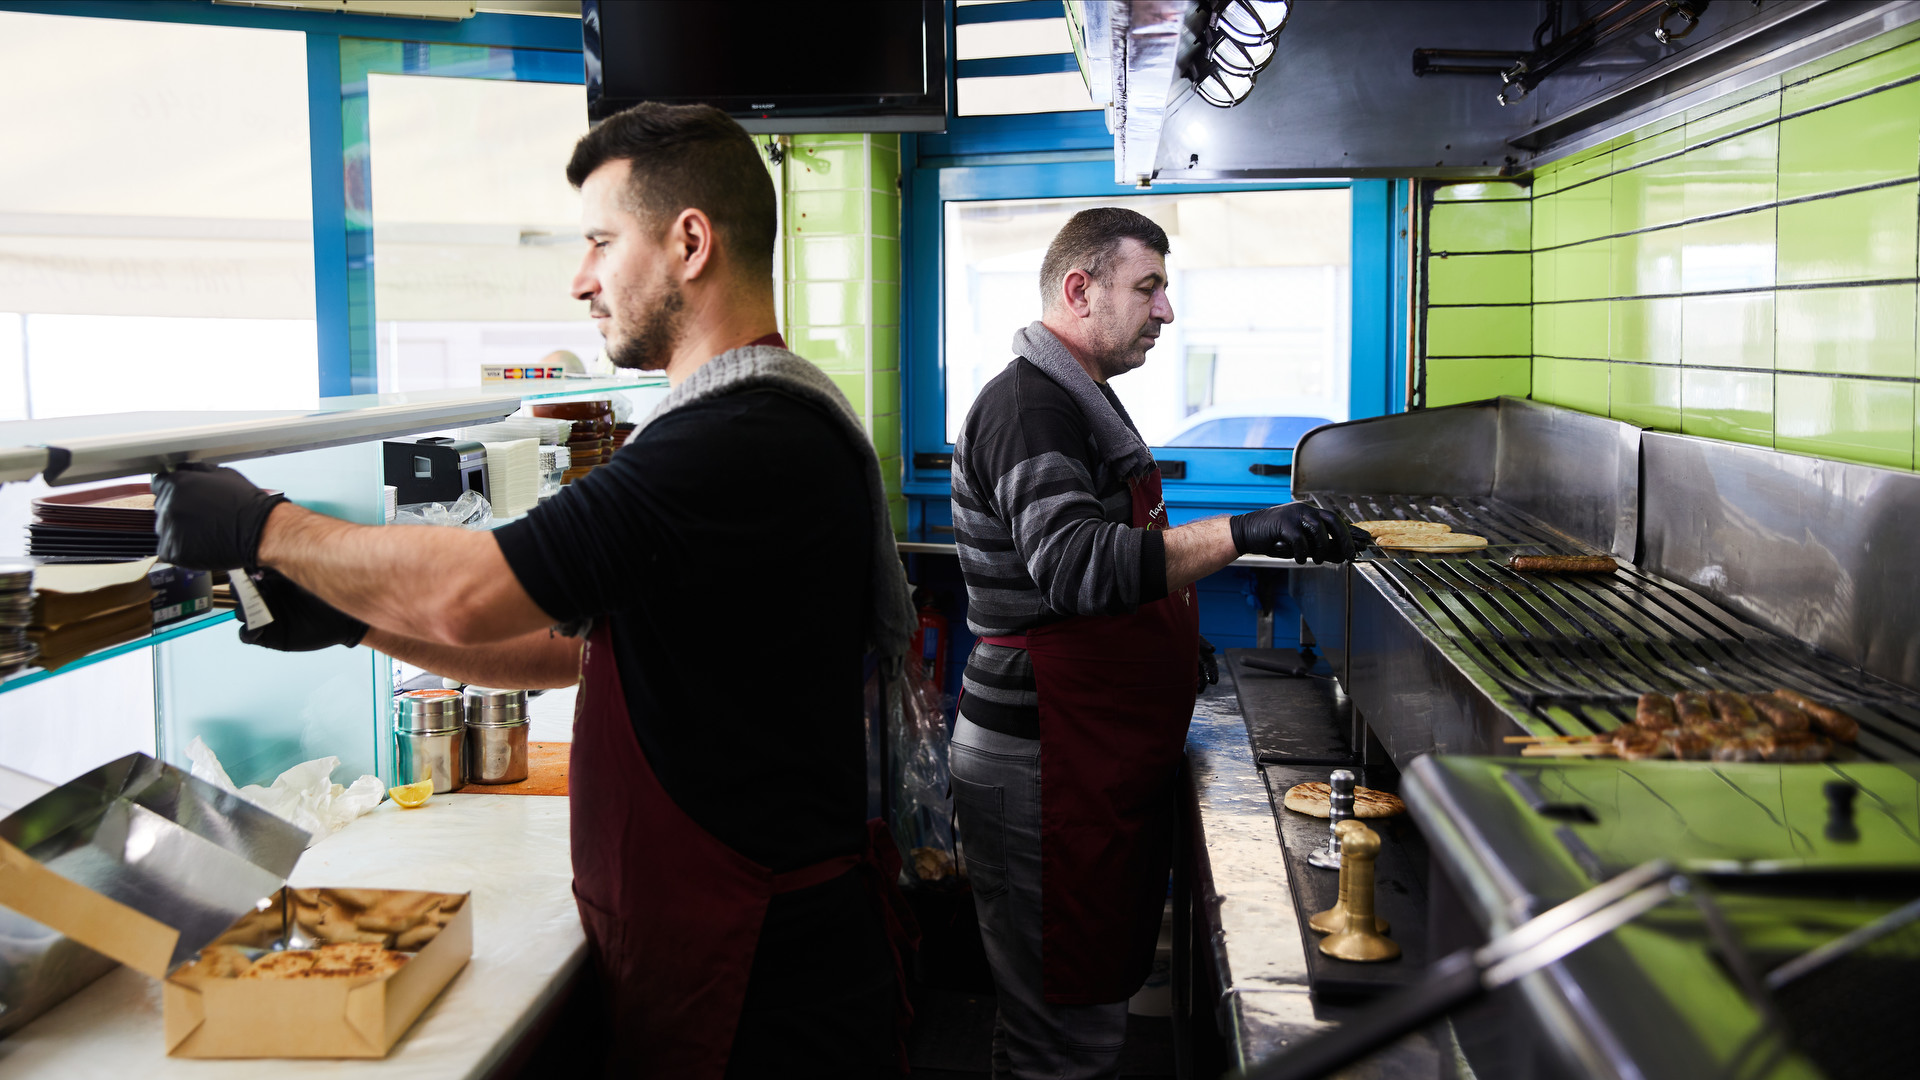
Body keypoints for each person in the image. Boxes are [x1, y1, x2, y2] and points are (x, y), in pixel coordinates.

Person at [155, 103, 918, 1080]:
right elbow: (571, 647)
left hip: (763, 975)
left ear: (690, 242)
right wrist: (355, 620)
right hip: (730, 943)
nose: (581, 279)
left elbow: (475, 590)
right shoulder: (733, 425)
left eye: (601, 241)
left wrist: (266, 528)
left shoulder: (740, 440)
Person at [947, 207, 1361, 1079]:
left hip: (1080, 753)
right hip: (1043, 762)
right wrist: (1247, 531)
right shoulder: (1031, 407)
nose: (1166, 311)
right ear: (1078, 288)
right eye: (1149, 288)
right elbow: (1079, 567)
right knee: (1062, 1037)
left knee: (1066, 1022)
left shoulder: (1078, 395)